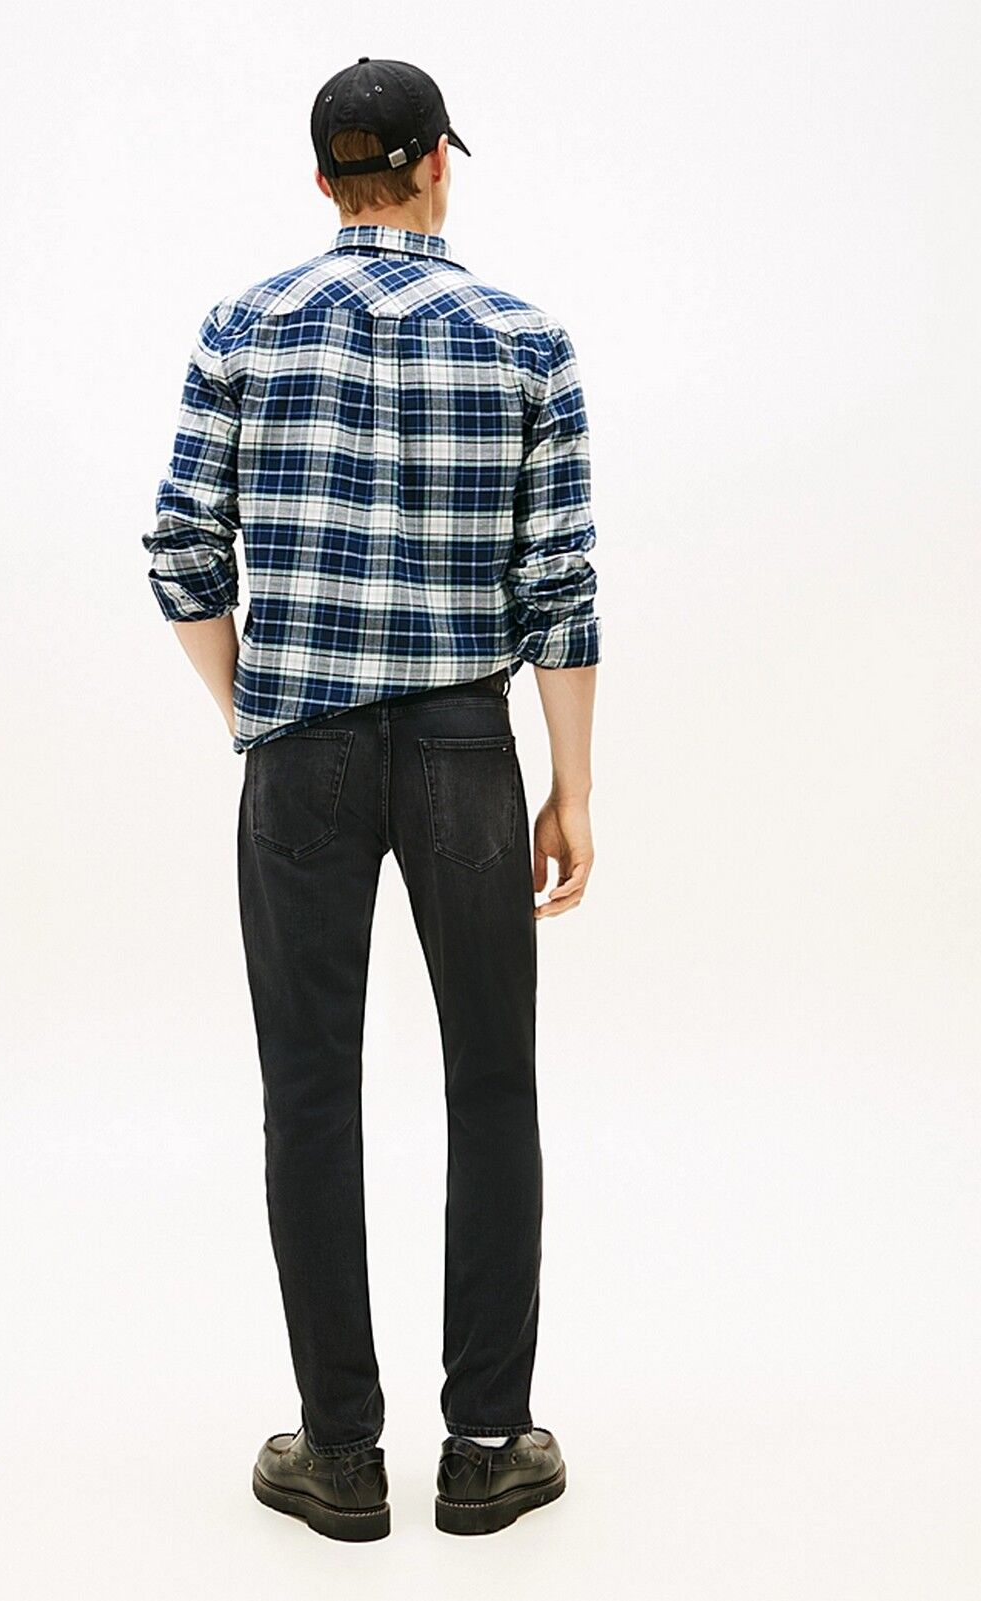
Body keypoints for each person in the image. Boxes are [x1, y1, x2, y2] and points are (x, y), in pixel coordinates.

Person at [142, 56, 600, 1541]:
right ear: (439, 167)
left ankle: (339, 1453)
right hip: (468, 751)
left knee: (308, 1086)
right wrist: (572, 783)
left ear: (325, 180)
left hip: (302, 751)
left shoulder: (244, 325)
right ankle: (488, 1445)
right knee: (494, 1083)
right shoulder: (525, 340)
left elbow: (180, 550)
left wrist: (257, 711)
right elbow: (561, 587)